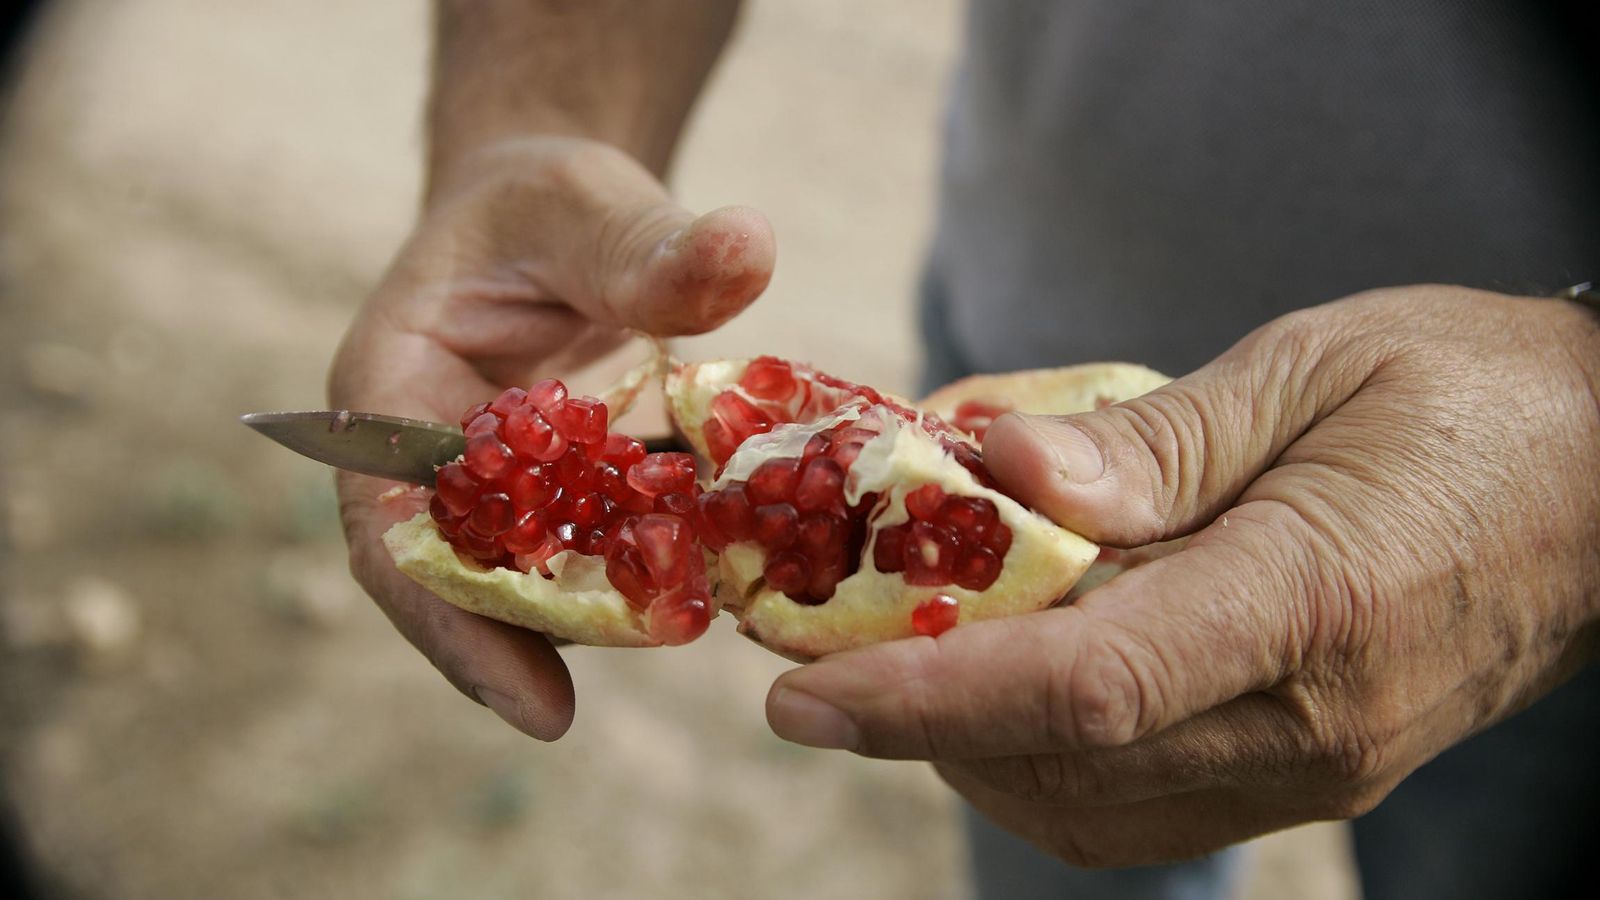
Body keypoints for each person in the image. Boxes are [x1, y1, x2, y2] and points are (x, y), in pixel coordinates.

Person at [329, 3, 1600, 898]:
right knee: (1055, 829)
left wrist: (1578, 425)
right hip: (997, 380)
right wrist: (536, 119)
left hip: (1545, 543)